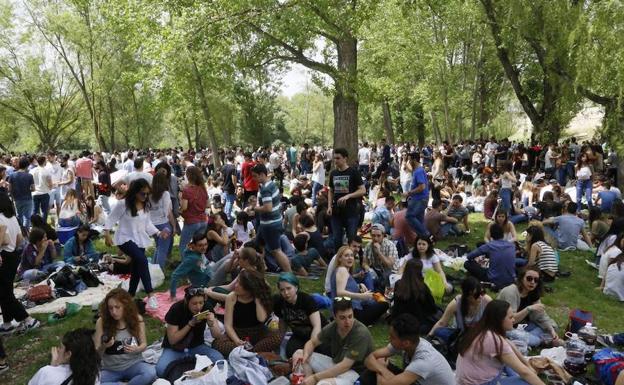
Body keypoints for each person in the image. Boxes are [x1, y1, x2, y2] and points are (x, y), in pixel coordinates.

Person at [104, 179, 164, 307]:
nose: (146, 196)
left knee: (136, 269)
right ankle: (151, 294)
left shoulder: (145, 205)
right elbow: (110, 218)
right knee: (142, 260)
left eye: (148, 194)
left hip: (139, 239)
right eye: (143, 193)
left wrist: (159, 233)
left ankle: (130, 297)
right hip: (124, 239)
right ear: (135, 192)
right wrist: (107, 234)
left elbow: (147, 224)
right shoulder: (123, 204)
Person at [456, 300, 546, 385]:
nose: (514, 320)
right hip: (483, 383)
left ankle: (514, 376)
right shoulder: (494, 340)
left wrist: (527, 365)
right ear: (499, 319)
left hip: (466, 380)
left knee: (514, 366)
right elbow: (524, 372)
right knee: (528, 381)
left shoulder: (481, 329)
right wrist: (530, 373)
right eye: (510, 317)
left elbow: (509, 345)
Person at [293, 296, 374, 385]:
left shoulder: (360, 334)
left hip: (355, 373)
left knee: (323, 383)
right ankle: (307, 380)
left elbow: (345, 366)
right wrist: (305, 356)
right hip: (336, 364)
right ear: (334, 317)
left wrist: (315, 377)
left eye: (350, 316)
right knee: (299, 354)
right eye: (342, 318)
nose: (348, 321)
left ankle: (310, 379)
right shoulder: (334, 326)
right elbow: (312, 342)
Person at [362, 313, 455, 385]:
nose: (389, 339)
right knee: (370, 373)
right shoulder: (410, 343)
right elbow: (369, 358)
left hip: (418, 379)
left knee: (375, 374)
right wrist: (382, 370)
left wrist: (381, 368)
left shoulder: (423, 362)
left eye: (392, 337)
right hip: (417, 380)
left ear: (406, 343)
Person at [155, 287, 224, 377]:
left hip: (197, 345)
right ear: (187, 301)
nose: (198, 307)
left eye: (201, 302)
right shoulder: (176, 309)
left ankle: (197, 373)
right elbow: (172, 340)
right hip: (175, 348)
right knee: (160, 370)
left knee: (219, 359)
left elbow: (217, 335)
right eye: (194, 303)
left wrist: (212, 323)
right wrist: (190, 324)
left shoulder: (207, 307)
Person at [211, 269, 280, 356]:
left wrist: (257, 299)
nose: (236, 285)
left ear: (249, 289)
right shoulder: (231, 297)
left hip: (258, 332)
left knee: (276, 338)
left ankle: (249, 352)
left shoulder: (258, 297)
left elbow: (261, 318)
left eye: (240, 284)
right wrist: (237, 341)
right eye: (237, 282)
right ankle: (253, 353)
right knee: (217, 344)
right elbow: (228, 325)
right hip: (237, 332)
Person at [94, 289, 156, 385]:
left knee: (150, 373)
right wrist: (104, 346)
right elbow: (96, 353)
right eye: (110, 308)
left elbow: (144, 344)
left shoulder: (136, 319)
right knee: (91, 381)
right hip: (111, 369)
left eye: (117, 307)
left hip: (133, 364)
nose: (114, 312)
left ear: (125, 306)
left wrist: (137, 349)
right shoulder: (101, 322)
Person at [0, 192, 40, 334]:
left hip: (3, 257)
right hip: (13, 256)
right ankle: (7, 323)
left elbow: (2, 240)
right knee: (6, 291)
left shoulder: (0, 218)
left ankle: (28, 319)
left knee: (5, 293)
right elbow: (19, 240)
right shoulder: (12, 218)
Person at [497, 268, 559, 348]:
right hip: (506, 326)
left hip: (524, 326)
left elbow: (541, 316)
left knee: (552, 327)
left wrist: (551, 330)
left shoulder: (533, 293)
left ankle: (526, 339)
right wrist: (528, 309)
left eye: (536, 280)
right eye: (529, 278)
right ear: (522, 278)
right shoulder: (511, 292)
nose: (532, 282)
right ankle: (540, 340)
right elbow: (512, 320)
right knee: (535, 341)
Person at [330, 246, 389, 326]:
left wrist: (359, 285)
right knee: (384, 304)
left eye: (351, 255)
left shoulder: (342, 270)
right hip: (350, 313)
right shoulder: (342, 270)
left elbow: (345, 285)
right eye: (346, 256)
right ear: (340, 258)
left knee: (374, 301)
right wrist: (361, 296)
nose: (350, 258)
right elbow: (340, 292)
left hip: (349, 309)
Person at [251, 163, 292, 272]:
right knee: (258, 244)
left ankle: (289, 274)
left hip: (270, 224)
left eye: (255, 176)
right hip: (270, 222)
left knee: (276, 251)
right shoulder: (272, 184)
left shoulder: (265, 189)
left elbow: (268, 208)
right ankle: (262, 267)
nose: (253, 178)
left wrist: (254, 209)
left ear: (261, 175)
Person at [274, 273, 325, 357]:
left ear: (296, 287)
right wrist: (280, 338)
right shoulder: (279, 303)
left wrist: (311, 345)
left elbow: (317, 326)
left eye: (289, 288)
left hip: (318, 332)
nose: (286, 293)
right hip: (299, 334)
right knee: (290, 352)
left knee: (320, 352)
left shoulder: (306, 300)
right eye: (282, 290)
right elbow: (282, 322)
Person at [428, 277, 491, 342]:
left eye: (482, 293)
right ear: (467, 296)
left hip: (479, 336)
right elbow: (442, 323)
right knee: (439, 332)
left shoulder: (487, 300)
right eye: (476, 295)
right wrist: (429, 337)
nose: (480, 297)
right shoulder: (456, 303)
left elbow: (494, 321)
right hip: (460, 334)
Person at [28, 328, 100, 385]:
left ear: (68, 354)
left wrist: (52, 367)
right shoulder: (93, 375)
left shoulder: (46, 372)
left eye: (61, 347)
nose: (58, 350)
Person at [327, 148, 366, 248]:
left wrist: (348, 196)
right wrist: (329, 206)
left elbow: (362, 190)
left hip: (351, 211)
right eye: (334, 158)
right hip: (336, 212)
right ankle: (338, 260)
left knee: (351, 239)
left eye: (338, 158)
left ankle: (350, 260)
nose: (335, 161)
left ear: (345, 158)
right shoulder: (333, 173)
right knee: (336, 239)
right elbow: (331, 190)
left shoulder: (354, 172)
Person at [391, 259, 439, 334]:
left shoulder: (398, 284)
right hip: (418, 324)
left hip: (400, 322)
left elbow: (396, 306)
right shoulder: (422, 287)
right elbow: (432, 308)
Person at [464, 223, 516, 289]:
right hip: (510, 278)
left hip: (493, 278)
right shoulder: (512, 245)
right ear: (502, 234)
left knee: (467, 264)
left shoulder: (490, 245)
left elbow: (469, 256)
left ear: (491, 235)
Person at [178, 166, 208, 255]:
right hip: (203, 220)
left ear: (188, 176)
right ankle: (199, 264)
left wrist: (178, 210)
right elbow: (208, 204)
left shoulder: (187, 190)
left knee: (183, 245)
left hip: (191, 221)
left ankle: (186, 265)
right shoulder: (203, 188)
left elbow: (184, 207)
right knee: (199, 246)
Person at [361, 224, 399, 291]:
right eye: (373, 235)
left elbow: (390, 264)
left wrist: (379, 252)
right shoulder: (368, 246)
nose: (375, 238)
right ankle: (370, 292)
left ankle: (379, 293)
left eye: (378, 236)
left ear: (383, 235)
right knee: (364, 273)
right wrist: (369, 269)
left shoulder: (390, 245)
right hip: (376, 270)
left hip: (391, 271)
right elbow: (364, 263)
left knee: (386, 276)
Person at [149, 172, 175, 270]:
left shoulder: (149, 194)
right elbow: (168, 212)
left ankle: (153, 268)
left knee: (159, 247)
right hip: (163, 224)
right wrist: (174, 225)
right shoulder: (165, 194)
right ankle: (159, 271)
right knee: (163, 250)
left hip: (152, 225)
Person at [403, 152, 431, 238]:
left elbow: (422, 187)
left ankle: (426, 235)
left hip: (419, 199)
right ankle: (422, 240)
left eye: (410, 159)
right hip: (420, 198)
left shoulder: (418, 171)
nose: (409, 161)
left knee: (409, 216)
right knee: (419, 220)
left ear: (414, 160)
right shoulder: (418, 170)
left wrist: (409, 193)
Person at [8, 157, 35, 230]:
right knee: (27, 217)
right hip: (27, 199)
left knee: (19, 215)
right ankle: (26, 232)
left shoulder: (12, 175)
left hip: (17, 199)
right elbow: (33, 188)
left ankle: (20, 231)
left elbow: (9, 189)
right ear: (27, 166)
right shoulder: (29, 176)